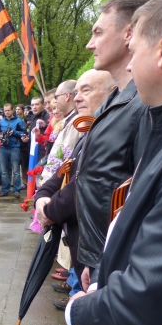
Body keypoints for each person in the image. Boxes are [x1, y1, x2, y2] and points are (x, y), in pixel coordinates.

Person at [67, 0, 162, 325]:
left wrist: (83, 312)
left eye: (136, 48)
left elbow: (153, 289)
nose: (128, 65)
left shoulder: (146, 112)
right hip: (107, 286)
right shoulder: (142, 110)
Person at [77, 0, 155, 292]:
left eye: (98, 32)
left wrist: (112, 270)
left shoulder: (145, 104)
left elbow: (143, 199)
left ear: (129, 34)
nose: (89, 44)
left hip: (118, 268)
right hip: (99, 259)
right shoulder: (117, 99)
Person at [35, 69, 116, 309]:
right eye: (76, 91)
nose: (77, 97)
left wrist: (50, 211)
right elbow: (67, 167)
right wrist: (42, 195)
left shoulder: (107, 132)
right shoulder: (90, 127)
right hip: (82, 238)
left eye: (86, 90)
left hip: (95, 244)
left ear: (112, 93)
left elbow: (83, 185)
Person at [36, 81, 80, 188]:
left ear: (66, 96)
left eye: (56, 97)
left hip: (58, 183)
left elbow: (64, 155)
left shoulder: (76, 122)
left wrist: (46, 181)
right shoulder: (67, 120)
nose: (54, 101)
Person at [0, 103, 26, 198]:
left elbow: (24, 133)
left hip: (14, 147)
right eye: (5, 111)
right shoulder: (1, 122)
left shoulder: (19, 121)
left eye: (8, 110)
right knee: (4, 171)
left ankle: (16, 190)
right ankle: (5, 190)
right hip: (3, 148)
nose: (7, 112)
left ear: (12, 110)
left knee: (16, 171)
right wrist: (0, 136)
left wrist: (14, 132)